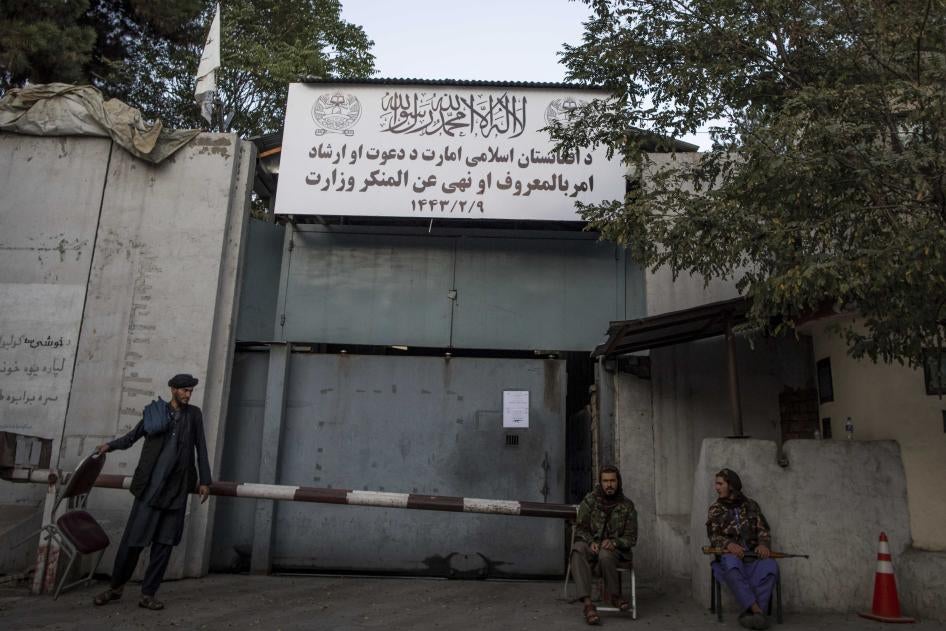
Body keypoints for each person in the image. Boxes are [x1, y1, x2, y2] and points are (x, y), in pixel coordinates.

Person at [92, 373, 212, 610]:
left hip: (176, 491)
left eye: (190, 391)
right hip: (150, 490)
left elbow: (201, 448)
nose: (188, 395)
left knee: (164, 545)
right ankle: (115, 588)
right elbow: (132, 437)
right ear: (172, 389)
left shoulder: (194, 415)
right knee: (133, 543)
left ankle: (148, 594)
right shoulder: (154, 413)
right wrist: (109, 446)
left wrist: (205, 481)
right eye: (184, 390)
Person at [706, 468, 779, 630]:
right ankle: (758, 612)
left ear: (731, 486)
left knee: (771, 567)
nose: (716, 488)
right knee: (731, 568)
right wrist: (728, 544)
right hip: (731, 555)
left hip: (754, 554)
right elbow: (713, 535)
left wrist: (763, 544)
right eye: (716, 484)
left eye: (720, 484)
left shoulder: (751, 505)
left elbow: (763, 530)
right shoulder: (715, 509)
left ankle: (751, 616)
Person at [570, 465, 638, 625]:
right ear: (600, 482)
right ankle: (588, 605)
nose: (609, 485)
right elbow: (580, 528)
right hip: (593, 546)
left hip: (615, 552)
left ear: (618, 482)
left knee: (605, 554)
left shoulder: (627, 506)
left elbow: (632, 537)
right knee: (577, 549)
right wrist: (591, 542)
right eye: (605, 481)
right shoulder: (590, 500)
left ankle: (614, 596)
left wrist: (615, 542)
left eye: (612, 481)